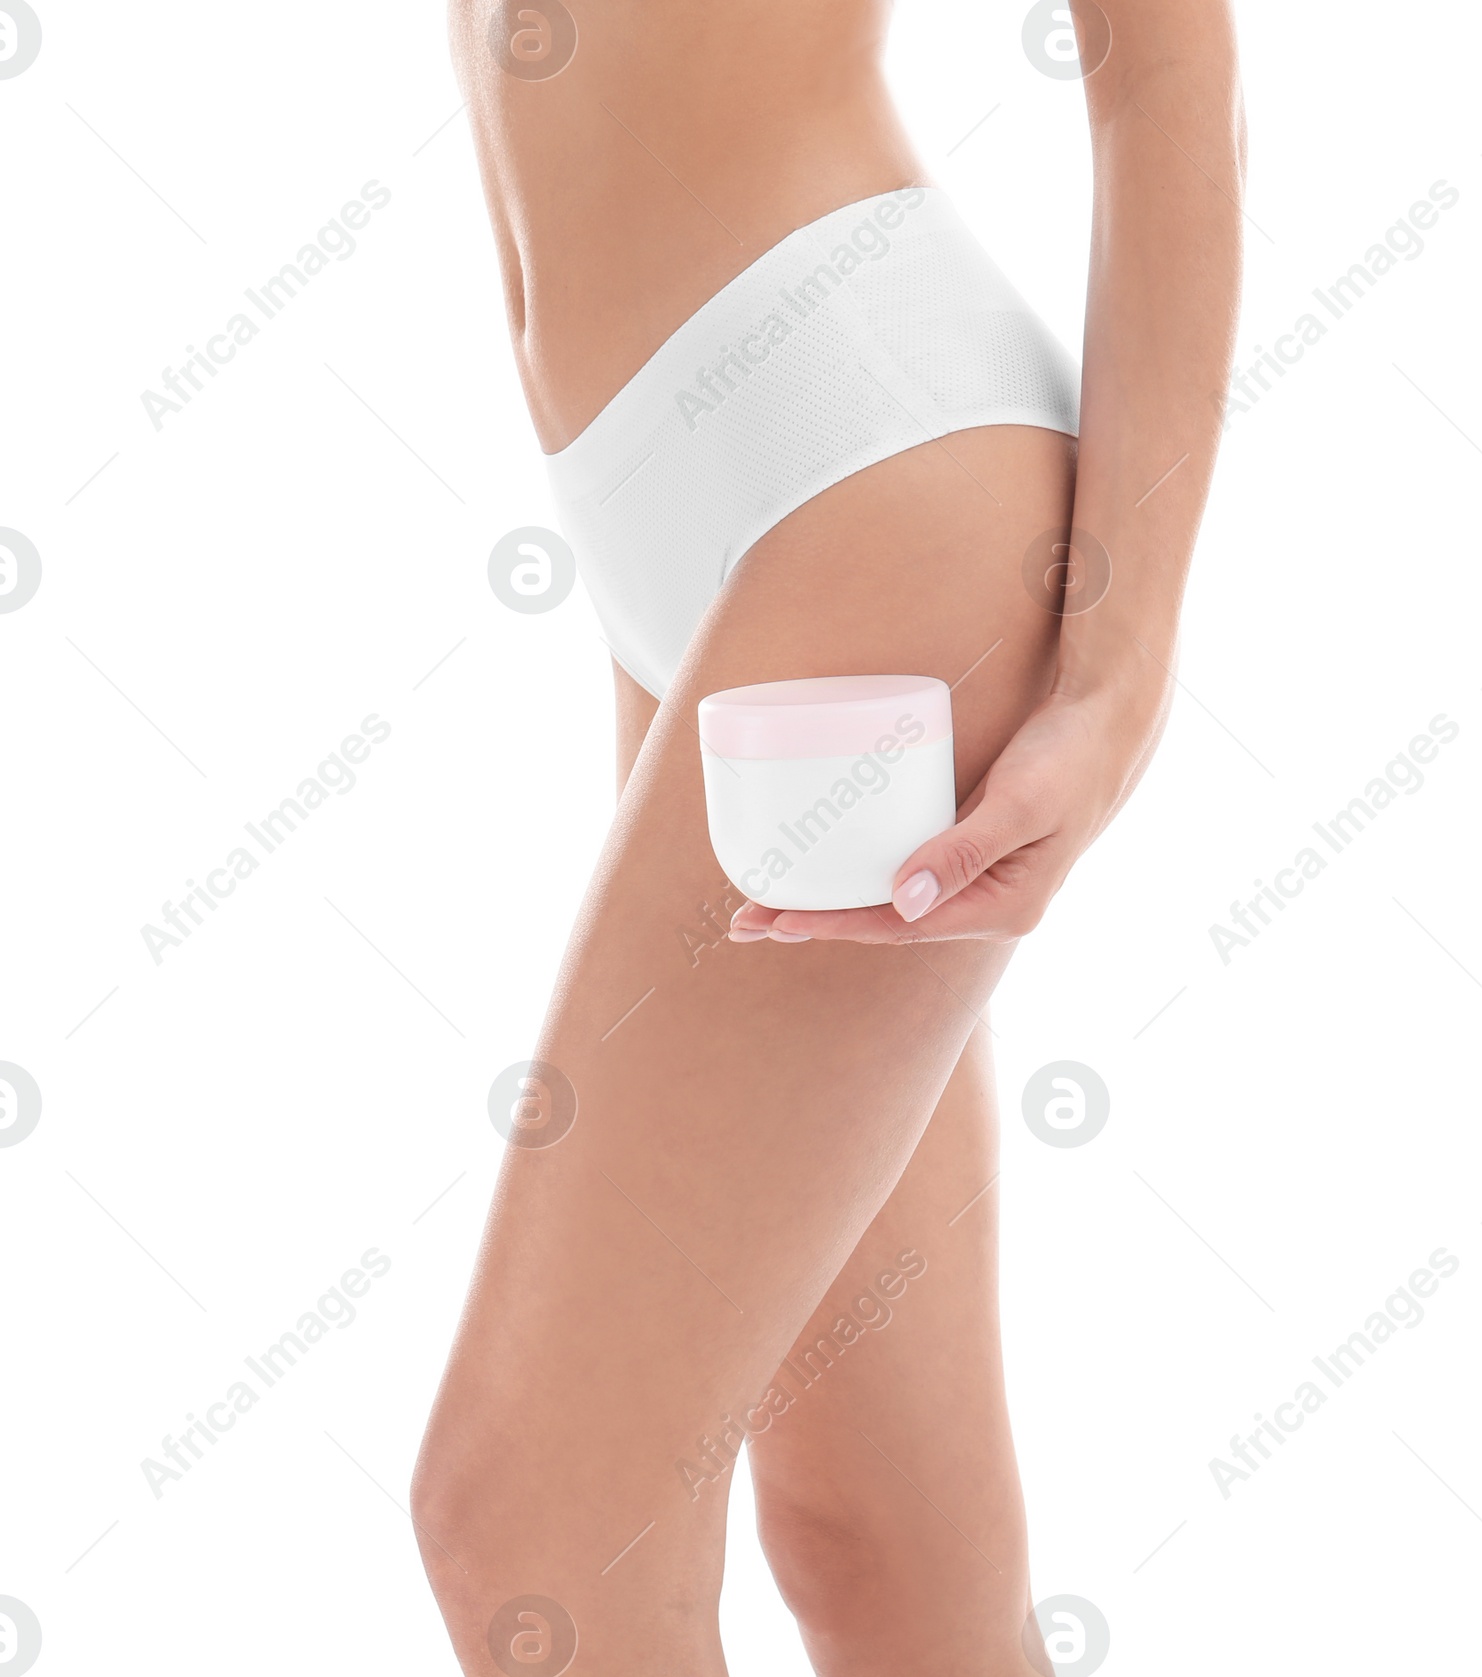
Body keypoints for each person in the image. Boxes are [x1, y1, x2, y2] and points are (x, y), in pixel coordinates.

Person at [413, 1, 1244, 1671]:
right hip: (682, 531)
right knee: (879, 1541)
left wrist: (1123, 659)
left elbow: (1167, 67)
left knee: (533, 1525)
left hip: (864, 471)